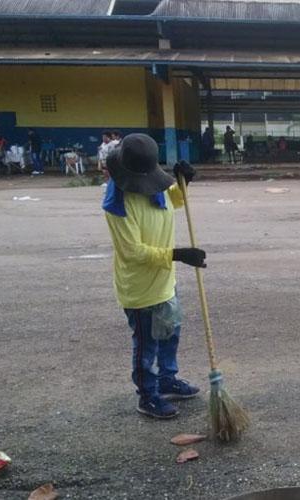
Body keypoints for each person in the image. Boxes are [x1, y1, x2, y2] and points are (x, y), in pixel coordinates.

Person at [102, 133, 205, 419]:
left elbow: (173, 202)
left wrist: (184, 184)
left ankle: (167, 379)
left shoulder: (153, 185)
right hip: (139, 289)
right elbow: (133, 251)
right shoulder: (117, 203)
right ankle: (147, 395)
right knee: (146, 346)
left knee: (170, 332)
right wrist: (177, 255)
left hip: (165, 281)